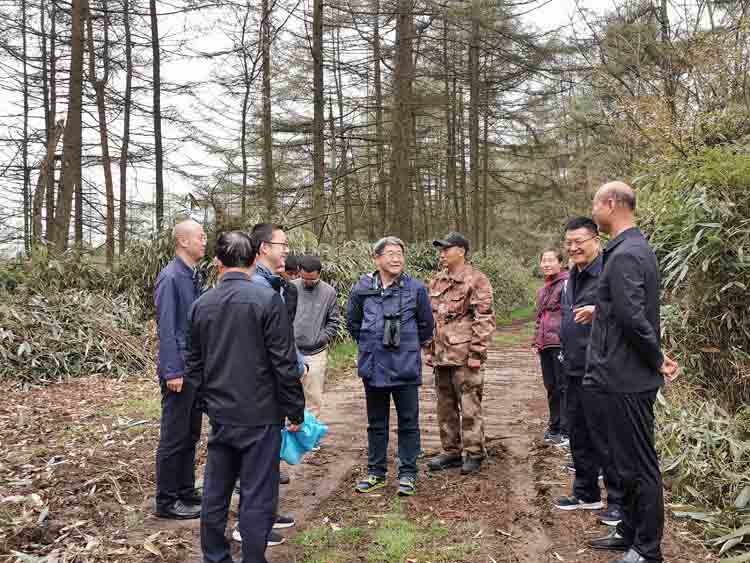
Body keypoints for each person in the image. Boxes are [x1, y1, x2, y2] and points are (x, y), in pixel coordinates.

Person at [185, 231, 305, 563]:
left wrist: (205, 404)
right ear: (253, 260)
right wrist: (295, 410)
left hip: (222, 414)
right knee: (257, 493)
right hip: (261, 414)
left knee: (216, 491)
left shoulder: (201, 304)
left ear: (217, 262)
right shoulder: (267, 301)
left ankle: (215, 556)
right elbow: (283, 362)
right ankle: (253, 558)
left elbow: (193, 364)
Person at [585, 182, 679, 563]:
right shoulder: (626, 250)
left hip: (627, 378)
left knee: (639, 464)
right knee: (622, 462)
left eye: (595, 203)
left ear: (610, 204)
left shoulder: (626, 254)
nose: (593, 210)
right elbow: (622, 310)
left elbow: (632, 317)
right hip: (616, 375)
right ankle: (628, 531)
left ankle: (647, 548)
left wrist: (657, 358)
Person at [346, 236, 434, 496]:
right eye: (390, 253)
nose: (396, 258)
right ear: (377, 258)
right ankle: (376, 472)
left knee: (409, 422)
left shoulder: (415, 288)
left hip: (404, 365)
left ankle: (408, 473)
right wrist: (369, 341)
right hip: (373, 367)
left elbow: (426, 324)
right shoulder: (362, 288)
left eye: (400, 253)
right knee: (376, 422)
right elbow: (352, 322)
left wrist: (408, 344)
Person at [554, 217, 624, 525]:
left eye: (579, 241)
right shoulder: (572, 275)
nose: (573, 248)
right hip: (573, 366)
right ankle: (586, 492)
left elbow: (630, 312)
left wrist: (600, 311)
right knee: (577, 432)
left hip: (601, 369)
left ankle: (619, 502)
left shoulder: (610, 271)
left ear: (596, 239)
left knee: (606, 437)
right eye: (569, 242)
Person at [426, 232, 495, 475]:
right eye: (441, 250)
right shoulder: (437, 281)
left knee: (469, 405)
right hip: (441, 355)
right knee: (444, 406)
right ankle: (451, 451)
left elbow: (484, 318)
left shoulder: (476, 280)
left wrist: (477, 352)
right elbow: (431, 318)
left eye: (446, 249)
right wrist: (429, 349)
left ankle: (474, 452)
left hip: (465, 355)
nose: (442, 254)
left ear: (462, 251)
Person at [153, 218, 206, 520]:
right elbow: (168, 327)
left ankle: (186, 490)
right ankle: (167, 499)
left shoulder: (192, 275)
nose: (204, 240)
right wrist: (173, 370)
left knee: (190, 433)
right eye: (200, 236)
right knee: (174, 436)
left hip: (194, 369)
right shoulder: (171, 277)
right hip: (179, 371)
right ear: (183, 241)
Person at [292, 255, 341, 418]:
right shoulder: (290, 288)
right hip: (291, 352)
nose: (307, 282)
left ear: (319, 274)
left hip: (316, 353)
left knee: (313, 399)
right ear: (299, 272)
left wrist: (321, 338)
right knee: (290, 397)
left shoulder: (329, 292)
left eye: (311, 279)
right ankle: (291, 441)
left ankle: (310, 440)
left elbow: (334, 321)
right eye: (304, 278)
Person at [533, 247, 569, 446]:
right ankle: (554, 426)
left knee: (564, 387)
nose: (546, 264)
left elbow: (569, 314)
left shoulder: (566, 284)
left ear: (560, 263)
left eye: (551, 260)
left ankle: (566, 430)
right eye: (544, 260)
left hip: (560, 343)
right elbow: (540, 317)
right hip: (545, 344)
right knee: (551, 387)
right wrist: (535, 340)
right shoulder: (544, 288)